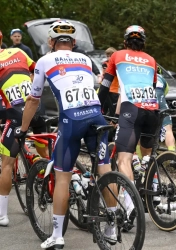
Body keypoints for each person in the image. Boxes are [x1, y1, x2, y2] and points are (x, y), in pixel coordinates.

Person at [14, 20, 113, 249]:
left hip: (72, 120)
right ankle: (112, 223)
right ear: (74, 42)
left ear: (51, 41)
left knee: (62, 177)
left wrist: (24, 128)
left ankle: (57, 236)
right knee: (105, 169)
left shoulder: (45, 60)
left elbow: (33, 99)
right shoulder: (86, 59)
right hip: (96, 116)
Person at [98, 25, 159, 216]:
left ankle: (132, 205)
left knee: (123, 158)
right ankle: (154, 190)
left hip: (131, 111)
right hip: (153, 111)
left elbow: (106, 85)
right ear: (144, 42)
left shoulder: (117, 56)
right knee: (146, 156)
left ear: (125, 42)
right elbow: (153, 86)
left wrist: (97, 107)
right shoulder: (151, 60)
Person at [0, 29, 49, 226]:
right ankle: (47, 175)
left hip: (16, 114)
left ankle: (2, 215)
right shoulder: (19, 52)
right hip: (38, 107)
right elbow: (38, 70)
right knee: (43, 146)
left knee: (7, 164)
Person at [101, 47, 119, 116]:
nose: (109, 58)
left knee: (113, 108)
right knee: (104, 107)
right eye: (107, 56)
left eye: (110, 56)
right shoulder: (105, 64)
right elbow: (106, 73)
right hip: (107, 88)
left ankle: (112, 121)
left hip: (114, 89)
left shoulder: (117, 64)